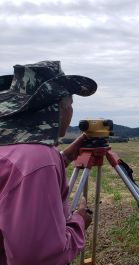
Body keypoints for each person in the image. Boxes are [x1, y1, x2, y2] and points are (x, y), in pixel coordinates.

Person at [0, 61, 97, 265]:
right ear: (58, 108)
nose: (71, 113)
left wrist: (67, 156)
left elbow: (15, 179)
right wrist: (79, 221)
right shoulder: (37, 159)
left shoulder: (13, 148)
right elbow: (36, 258)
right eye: (70, 104)